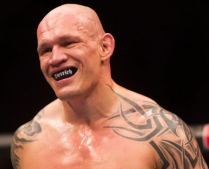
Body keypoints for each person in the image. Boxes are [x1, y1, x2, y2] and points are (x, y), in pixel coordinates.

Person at [10, 3, 208, 169]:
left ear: (105, 47)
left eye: (69, 43)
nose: (55, 58)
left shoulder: (163, 135)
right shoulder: (28, 142)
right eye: (45, 50)